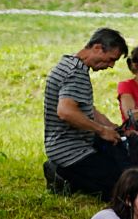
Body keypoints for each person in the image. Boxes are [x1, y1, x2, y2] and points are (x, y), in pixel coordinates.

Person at [44, 27, 129, 199]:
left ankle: (65, 172)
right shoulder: (77, 74)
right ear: (97, 48)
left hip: (62, 145)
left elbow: (87, 109)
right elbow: (66, 111)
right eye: (111, 59)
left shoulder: (68, 64)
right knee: (120, 188)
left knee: (119, 165)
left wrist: (113, 127)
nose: (111, 65)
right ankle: (62, 174)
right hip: (71, 150)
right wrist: (102, 131)